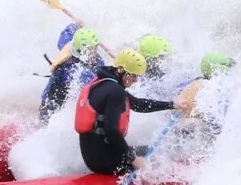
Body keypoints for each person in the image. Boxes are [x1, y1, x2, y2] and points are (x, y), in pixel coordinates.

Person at [76, 48, 176, 176]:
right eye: (133, 75)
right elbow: (111, 130)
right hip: (105, 162)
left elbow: (138, 104)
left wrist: (172, 104)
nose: (136, 80)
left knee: (147, 149)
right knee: (154, 154)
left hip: (92, 158)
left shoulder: (101, 83)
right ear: (121, 70)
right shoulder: (115, 91)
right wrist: (133, 160)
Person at [38, 25, 102, 117]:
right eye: (93, 48)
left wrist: (75, 25)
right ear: (84, 51)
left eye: (96, 47)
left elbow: (66, 34)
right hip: (51, 109)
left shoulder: (68, 47)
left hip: (49, 103)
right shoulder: (76, 71)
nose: (96, 51)